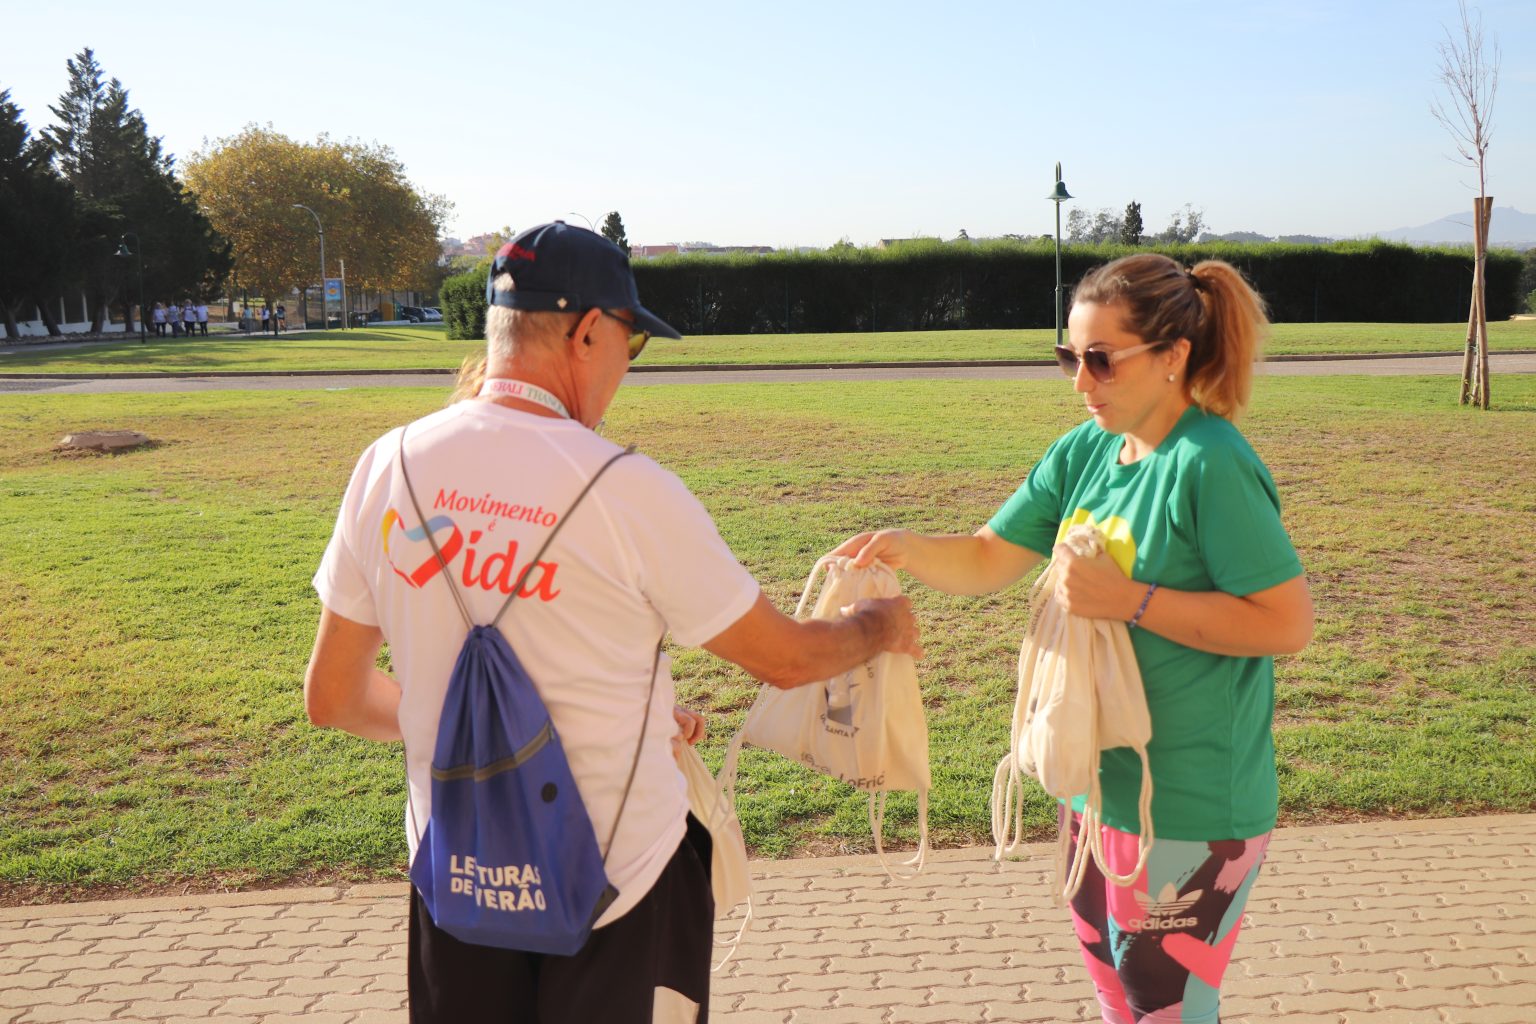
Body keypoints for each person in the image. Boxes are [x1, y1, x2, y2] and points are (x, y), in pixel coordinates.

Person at [305, 221, 921, 1024]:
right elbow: (786, 659)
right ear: (588, 331)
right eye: (632, 344)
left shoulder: (386, 464)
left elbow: (335, 698)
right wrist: (877, 624)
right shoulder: (630, 490)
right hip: (621, 890)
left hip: (457, 885)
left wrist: (478, 740)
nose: (627, 368)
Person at [831, 253, 1313, 1024]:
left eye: (1101, 359)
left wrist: (1130, 600)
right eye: (1070, 357)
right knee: (1118, 997)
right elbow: (989, 556)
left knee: (1166, 1006)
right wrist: (905, 548)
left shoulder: (1211, 464)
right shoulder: (1084, 451)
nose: (1081, 381)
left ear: (1173, 356)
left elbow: (1286, 623)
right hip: (1090, 787)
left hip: (1191, 807)